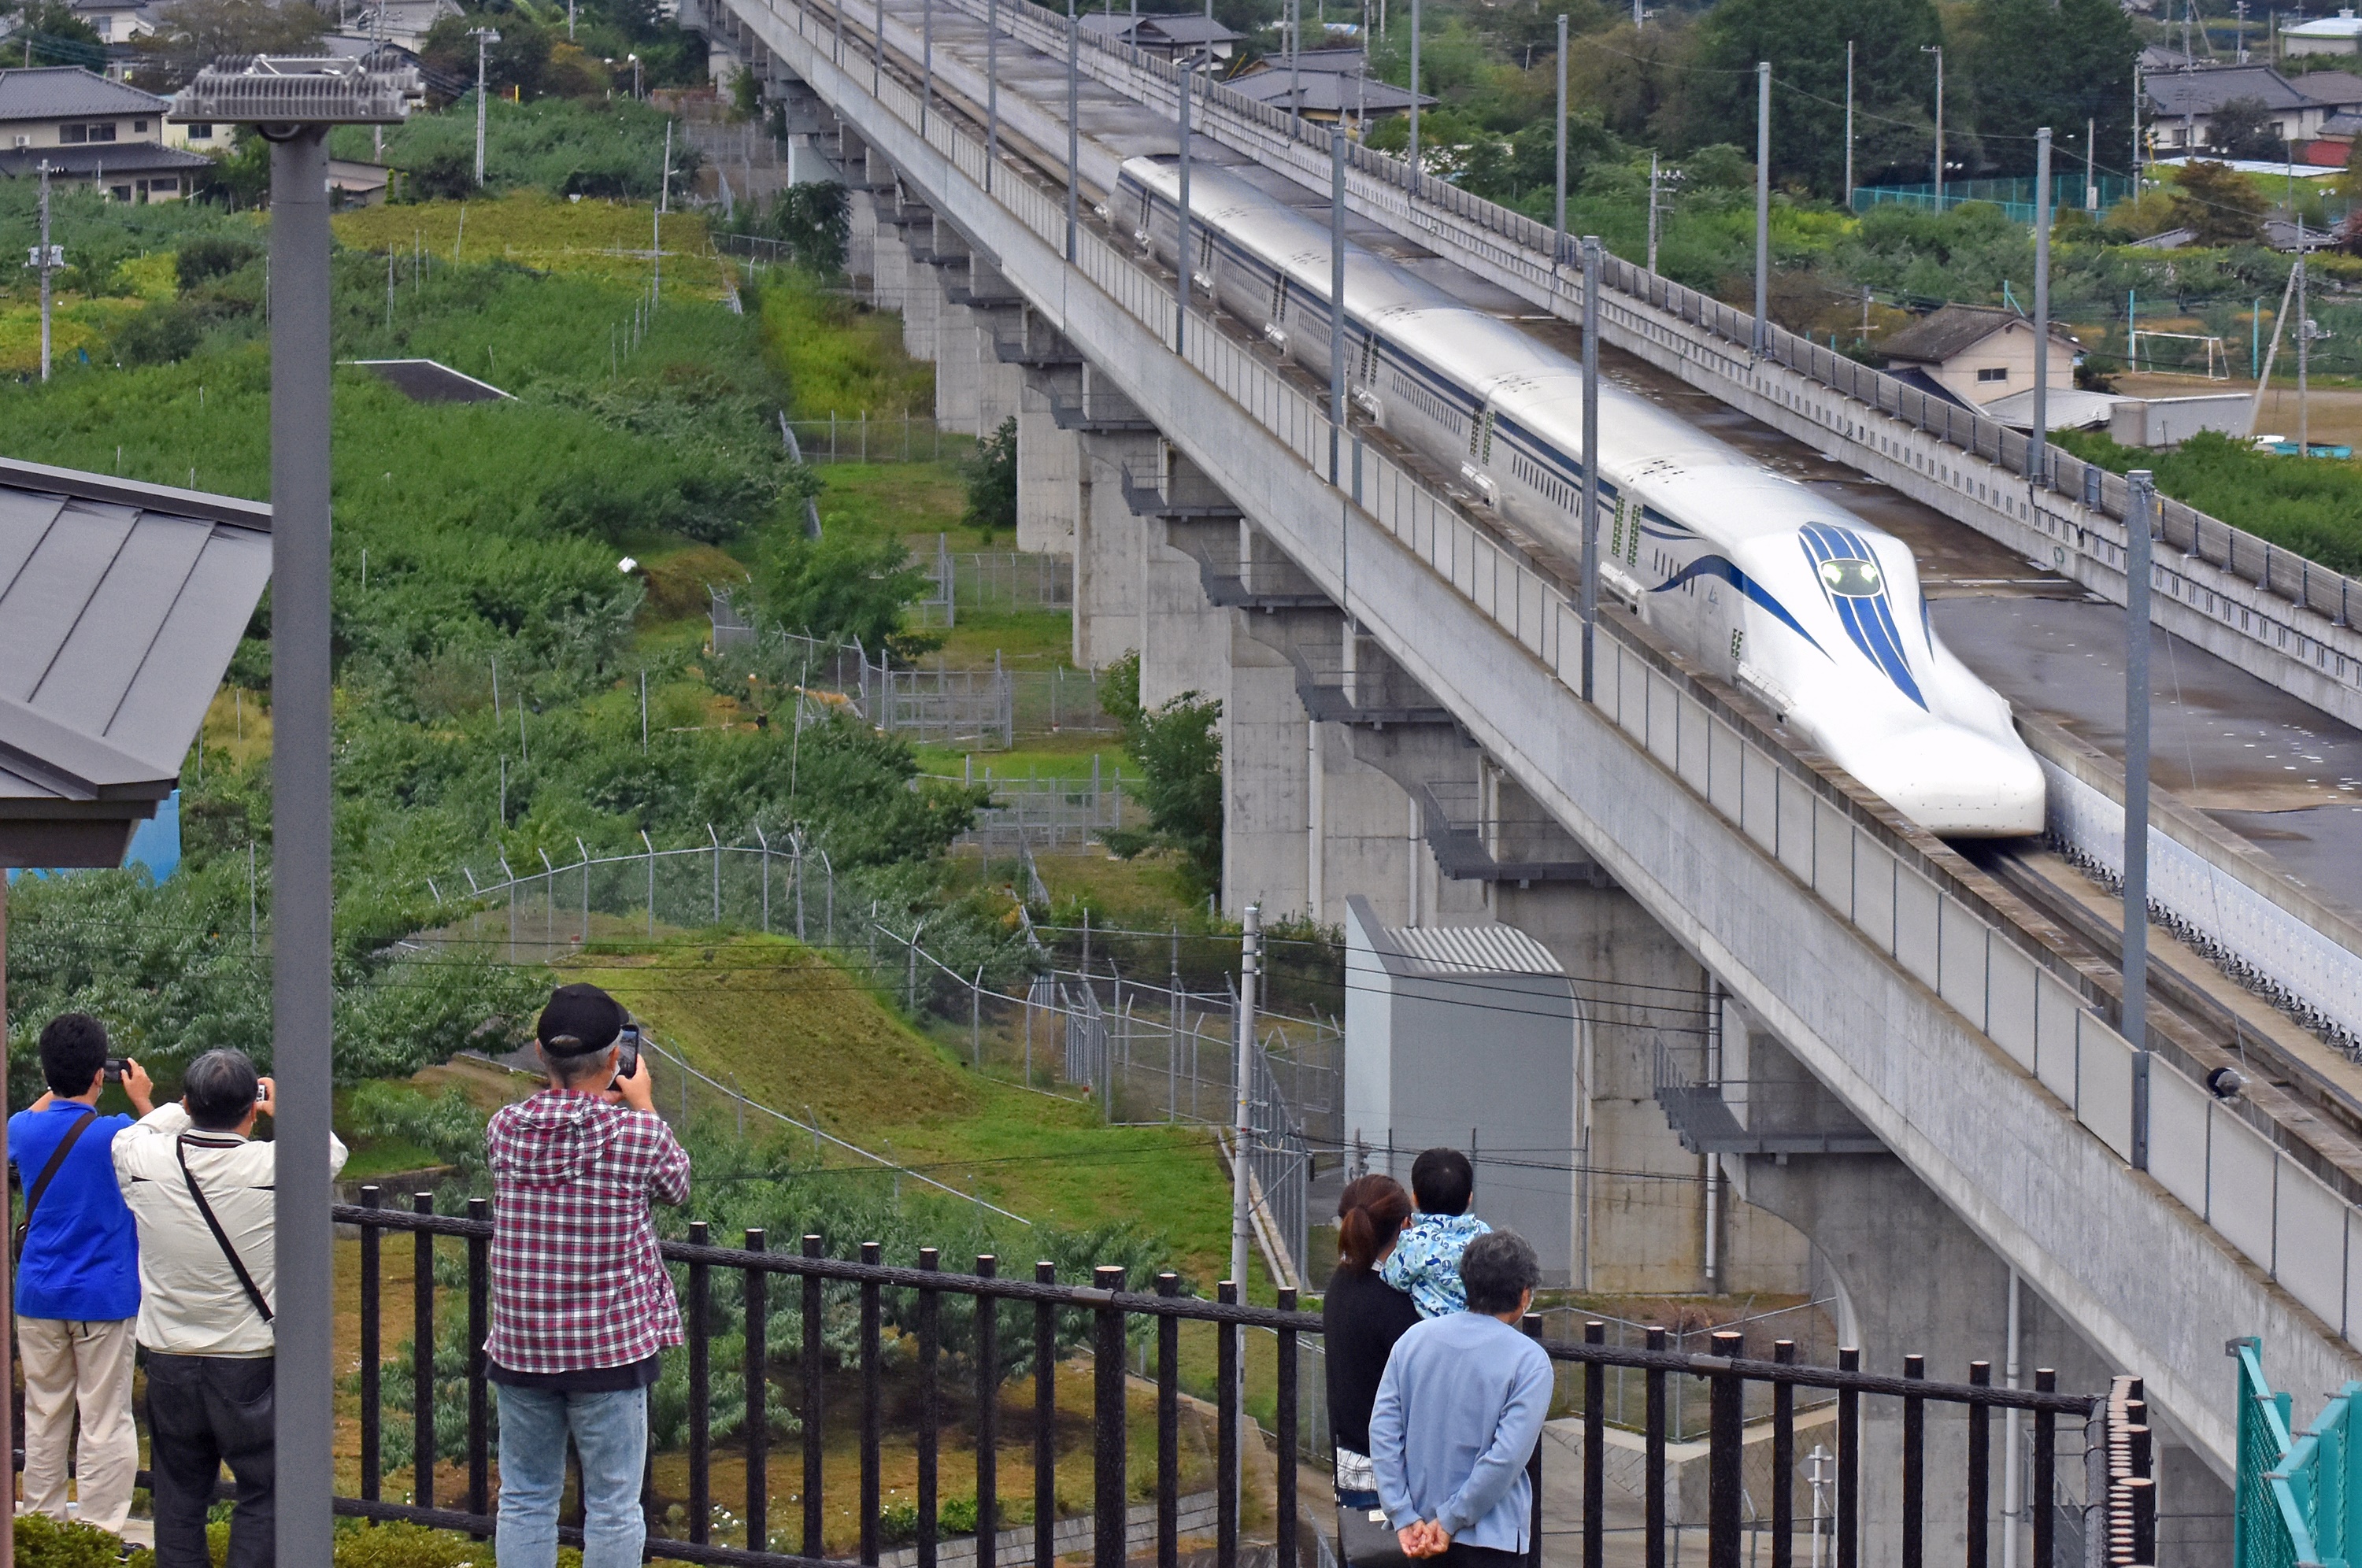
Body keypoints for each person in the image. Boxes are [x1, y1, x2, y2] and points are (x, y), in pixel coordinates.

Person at [115, 1048, 346, 1568]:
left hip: (169, 1359)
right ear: (251, 1107)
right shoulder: (270, 1166)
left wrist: (174, 1107)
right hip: (246, 1364)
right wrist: (281, 1108)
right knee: (264, 1495)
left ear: (190, 1104)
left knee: (177, 1500)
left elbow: (132, 1135)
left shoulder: (147, 1161)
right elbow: (330, 1152)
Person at [487, 982, 690, 1568]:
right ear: (614, 1059)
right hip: (609, 1348)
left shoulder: (505, 1129)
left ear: (538, 1053)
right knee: (614, 1506)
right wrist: (644, 1101)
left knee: (525, 1498)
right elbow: (676, 1185)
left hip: (522, 1345)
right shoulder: (637, 1135)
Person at [10, 1014, 152, 1538]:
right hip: (103, 1297)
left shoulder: (22, 1128)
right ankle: (97, 1532)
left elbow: (26, 1122)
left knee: (44, 1414)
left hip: (39, 1295)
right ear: (102, 1074)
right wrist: (139, 1097)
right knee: (104, 1418)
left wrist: (57, 1088)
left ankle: (42, 1528)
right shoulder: (116, 1136)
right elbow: (169, 1146)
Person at [1368, 1230, 1553, 1567]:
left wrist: (1402, 1513)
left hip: (1418, 1531)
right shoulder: (1529, 1361)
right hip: (1492, 1538)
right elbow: (1506, 1458)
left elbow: (1383, 1433)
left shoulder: (1413, 1341)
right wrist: (1452, 1518)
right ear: (1524, 1295)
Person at [1324, 1174, 1420, 1558]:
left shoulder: (1339, 1287)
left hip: (1351, 1465)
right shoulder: (1396, 1306)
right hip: (1396, 1475)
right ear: (1403, 1226)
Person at [1382, 1147, 1490, 1318]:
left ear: (1414, 1198)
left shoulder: (1415, 1240)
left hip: (1434, 1332)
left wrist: (1402, 1239)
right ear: (1470, 1198)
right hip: (1481, 1327)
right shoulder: (1484, 1235)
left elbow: (1394, 1278)